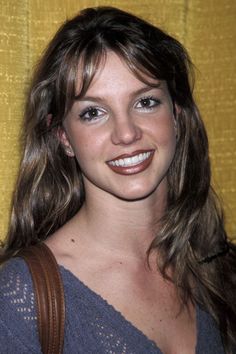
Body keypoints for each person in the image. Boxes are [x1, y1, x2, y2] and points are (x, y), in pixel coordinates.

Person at [0, 6, 235, 354]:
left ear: (177, 115)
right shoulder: (19, 301)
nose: (126, 133)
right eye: (93, 112)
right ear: (63, 137)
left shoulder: (219, 269)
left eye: (145, 102)